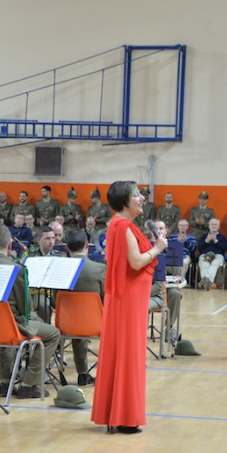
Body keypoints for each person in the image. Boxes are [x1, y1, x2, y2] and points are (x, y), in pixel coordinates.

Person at [90, 181, 166, 434]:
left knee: (124, 352)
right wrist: (157, 248)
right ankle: (124, 416)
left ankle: (119, 412)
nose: (142, 198)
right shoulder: (122, 226)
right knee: (129, 353)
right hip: (129, 297)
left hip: (127, 297)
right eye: (137, 195)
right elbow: (135, 262)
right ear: (125, 201)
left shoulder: (117, 224)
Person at [0, 224, 60, 399]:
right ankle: (29, 383)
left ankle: (5, 382)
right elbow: (25, 309)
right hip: (11, 326)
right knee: (53, 334)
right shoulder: (16, 269)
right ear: (10, 245)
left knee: (5, 325)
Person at [65, 230, 105, 386]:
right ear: (87, 245)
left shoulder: (61, 268)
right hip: (93, 322)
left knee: (77, 322)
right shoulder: (99, 269)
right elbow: (105, 299)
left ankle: (82, 372)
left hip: (66, 323)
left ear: (67, 248)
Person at [196, 218, 227, 290]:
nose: (213, 226)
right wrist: (207, 240)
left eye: (215, 224)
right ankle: (207, 282)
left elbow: (224, 248)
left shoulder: (222, 237)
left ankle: (207, 282)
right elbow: (199, 248)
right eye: (212, 224)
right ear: (209, 226)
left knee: (215, 263)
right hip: (205, 255)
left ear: (218, 227)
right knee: (205, 264)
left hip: (218, 255)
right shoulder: (204, 236)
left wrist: (215, 241)